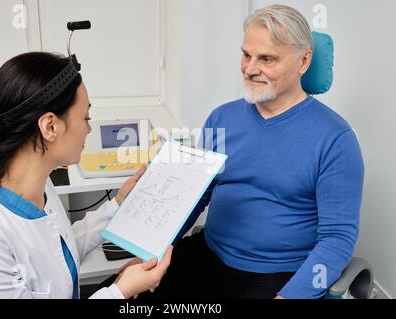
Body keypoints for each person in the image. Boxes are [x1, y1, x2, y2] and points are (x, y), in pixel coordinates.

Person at [145, 4, 364, 299]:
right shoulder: (221, 119)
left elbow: (337, 239)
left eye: (267, 59)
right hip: (209, 256)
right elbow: (194, 197)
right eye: (246, 55)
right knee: (128, 296)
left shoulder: (336, 139)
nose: (249, 69)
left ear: (303, 61)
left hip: (279, 275)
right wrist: (153, 251)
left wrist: (292, 296)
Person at [0, 52, 172, 299]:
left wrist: (117, 205)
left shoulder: (39, 186)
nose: (89, 129)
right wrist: (121, 291)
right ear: (50, 127)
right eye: (85, 117)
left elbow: (57, 250)